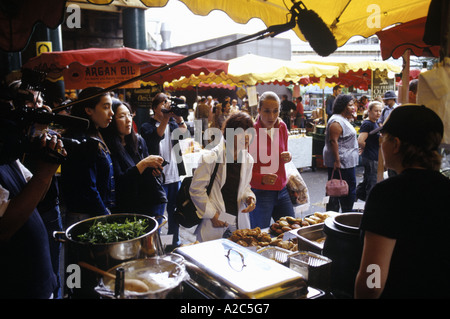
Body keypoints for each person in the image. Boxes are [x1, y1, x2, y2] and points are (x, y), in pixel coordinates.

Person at [355, 104, 450, 299]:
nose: (381, 143)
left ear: (396, 144)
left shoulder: (388, 193)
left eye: (384, 138)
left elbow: (373, 278)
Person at [0, 99, 66, 298]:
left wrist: (48, 161)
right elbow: (4, 229)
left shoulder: (7, 158)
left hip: (41, 278)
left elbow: (35, 193)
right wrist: (45, 172)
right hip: (19, 285)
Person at [190, 112, 256, 242]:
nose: (247, 137)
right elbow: (196, 190)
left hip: (237, 220)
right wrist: (213, 215)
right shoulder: (210, 158)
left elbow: (245, 187)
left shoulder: (248, 160)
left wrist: (250, 198)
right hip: (215, 219)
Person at [101, 98, 167, 217]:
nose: (128, 120)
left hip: (146, 204)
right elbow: (120, 183)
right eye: (122, 116)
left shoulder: (138, 141)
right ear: (111, 121)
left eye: (129, 115)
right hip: (125, 210)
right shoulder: (107, 147)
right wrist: (144, 164)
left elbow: (143, 174)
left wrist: (152, 170)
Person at [60, 87, 116, 227]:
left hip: (94, 213)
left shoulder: (95, 134)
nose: (112, 113)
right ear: (89, 110)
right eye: (105, 107)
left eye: (111, 107)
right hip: (85, 218)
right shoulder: (81, 141)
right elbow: (88, 187)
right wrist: (104, 215)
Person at [141, 92, 187, 250]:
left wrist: (179, 118)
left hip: (174, 176)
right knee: (158, 216)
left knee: (175, 214)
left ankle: (174, 243)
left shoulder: (172, 124)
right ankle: (154, 246)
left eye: (168, 102)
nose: (167, 105)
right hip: (158, 178)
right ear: (154, 108)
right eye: (163, 103)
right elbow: (156, 137)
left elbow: (184, 134)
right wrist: (167, 118)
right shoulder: (146, 127)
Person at [249, 91, 295, 229]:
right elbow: (243, 169)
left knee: (291, 232)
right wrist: (260, 178)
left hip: (282, 189)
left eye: (276, 111)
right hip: (260, 192)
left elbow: (283, 154)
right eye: (267, 111)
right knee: (259, 235)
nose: (272, 116)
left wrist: (288, 156)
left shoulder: (282, 127)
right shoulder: (250, 131)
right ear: (259, 110)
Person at [323, 94, 358, 212]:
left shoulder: (343, 119)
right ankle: (345, 214)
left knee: (345, 189)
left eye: (353, 105)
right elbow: (333, 141)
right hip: (343, 162)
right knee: (343, 190)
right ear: (343, 106)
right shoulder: (336, 121)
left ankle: (345, 213)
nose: (353, 107)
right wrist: (337, 161)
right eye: (350, 105)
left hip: (347, 161)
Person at [357, 101, 383, 201]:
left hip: (373, 156)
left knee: (367, 180)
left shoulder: (374, 122)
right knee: (371, 182)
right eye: (376, 111)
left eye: (380, 111)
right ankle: (369, 203)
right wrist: (365, 148)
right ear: (369, 111)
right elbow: (360, 140)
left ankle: (356, 196)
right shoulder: (367, 124)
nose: (378, 113)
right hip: (371, 157)